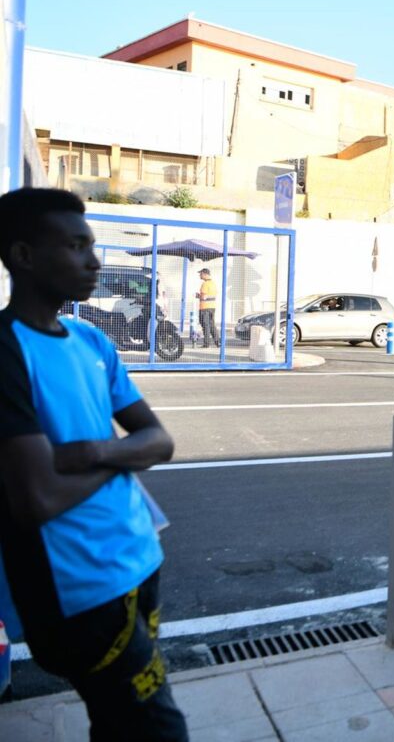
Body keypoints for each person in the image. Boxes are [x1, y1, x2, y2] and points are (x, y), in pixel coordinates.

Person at [0, 187, 187, 740]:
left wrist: (92, 453)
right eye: (76, 246)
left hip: (139, 558)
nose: (94, 261)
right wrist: (122, 460)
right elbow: (37, 500)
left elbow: (160, 440)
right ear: (24, 256)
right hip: (79, 589)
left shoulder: (88, 340)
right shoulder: (5, 350)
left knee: (117, 722)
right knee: (157, 729)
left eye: (93, 245)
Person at [195, 266, 219, 347]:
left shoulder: (204, 284)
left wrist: (198, 296)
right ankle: (217, 342)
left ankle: (206, 343)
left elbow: (204, 297)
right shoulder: (213, 284)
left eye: (201, 274)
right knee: (212, 324)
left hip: (204, 308)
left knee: (205, 325)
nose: (200, 276)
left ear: (205, 274)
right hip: (212, 307)